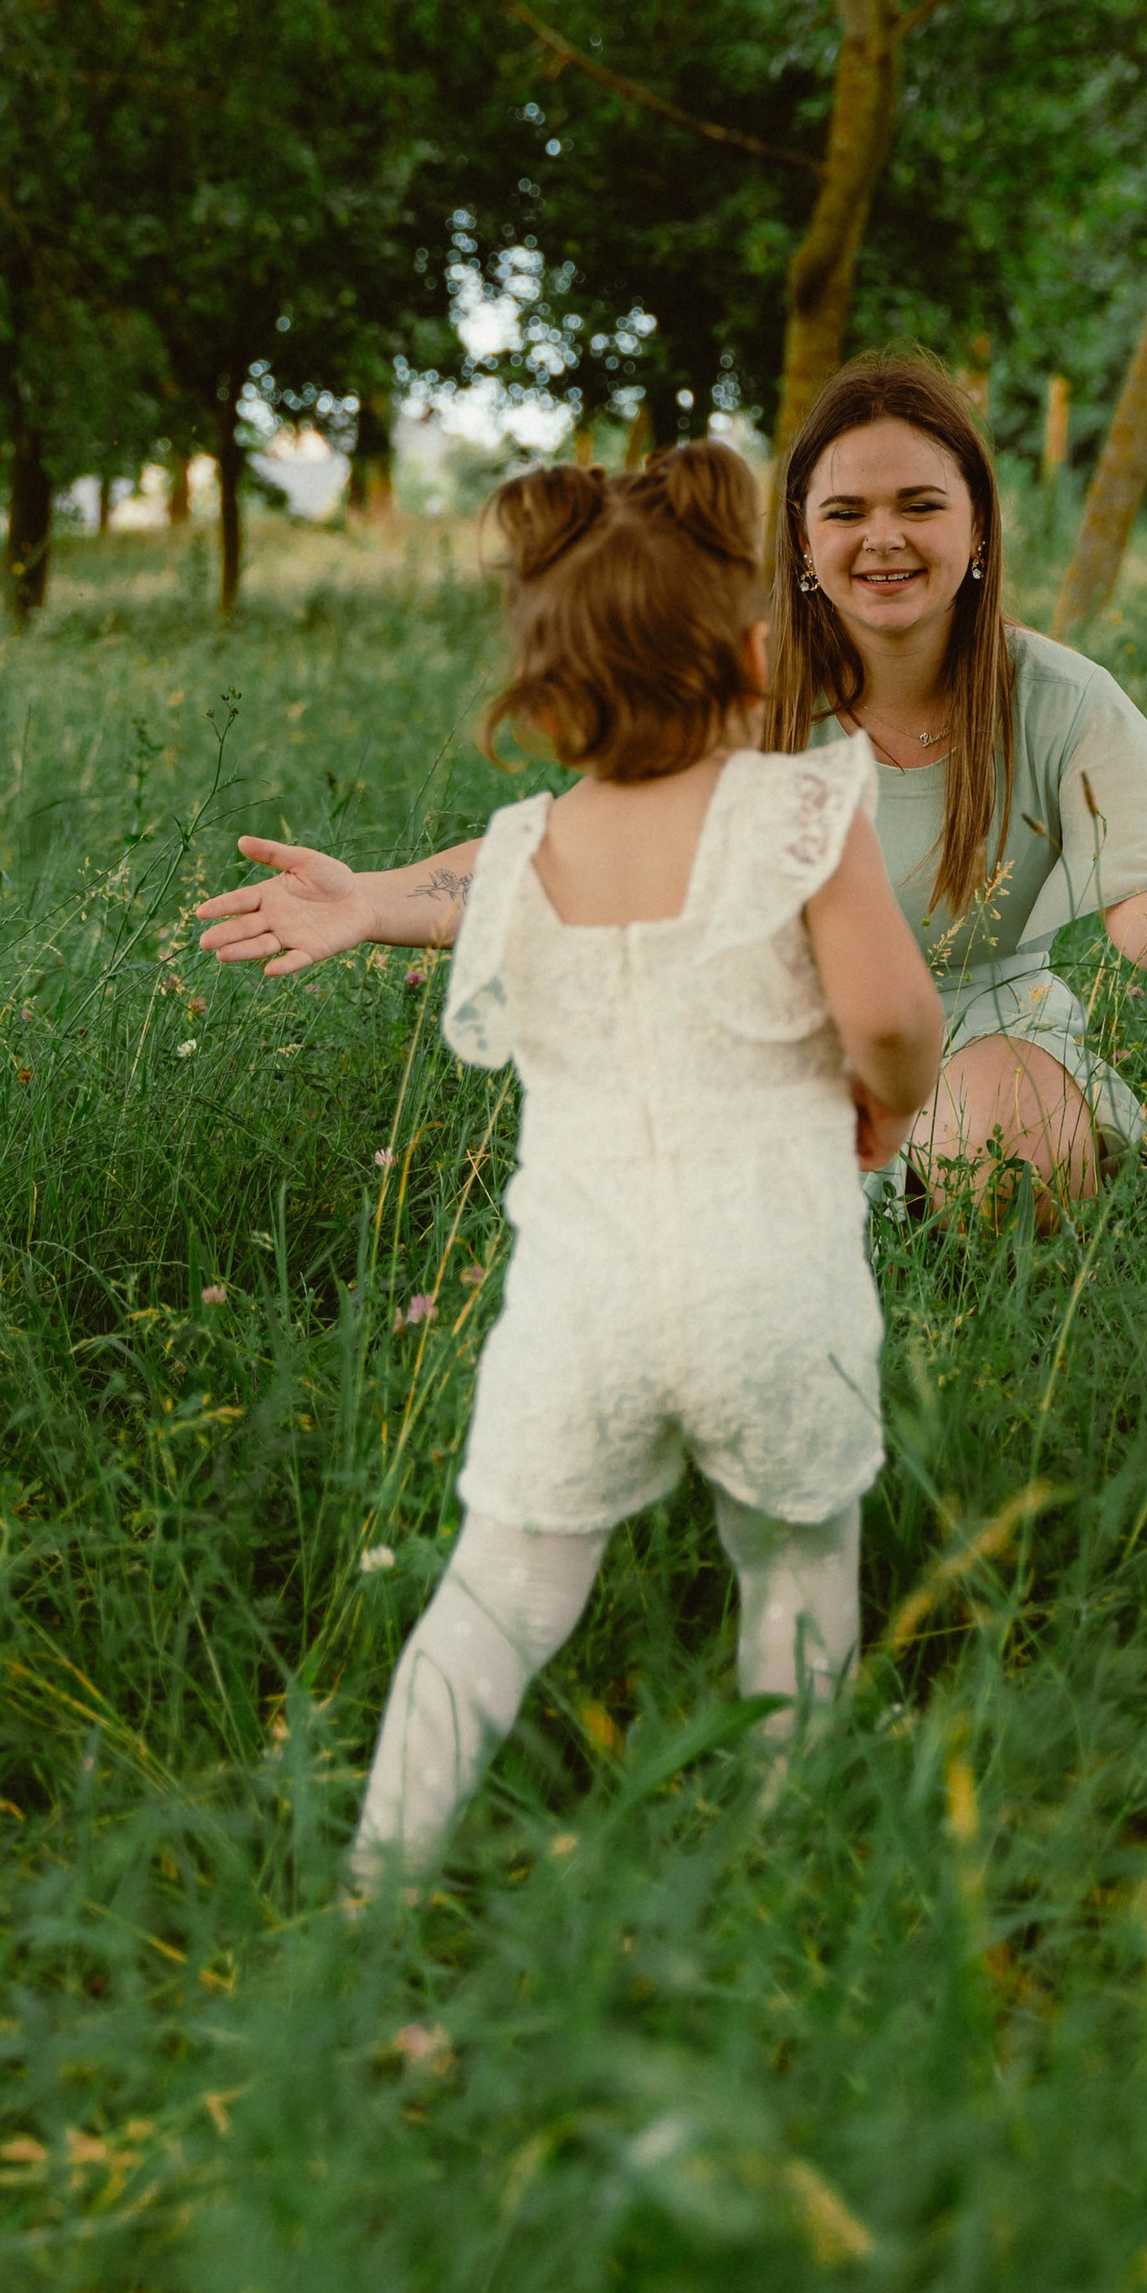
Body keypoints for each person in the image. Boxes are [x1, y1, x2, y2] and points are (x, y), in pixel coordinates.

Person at [205, 442, 943, 1885]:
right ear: (750, 652)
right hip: (773, 1286)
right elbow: (896, 1020)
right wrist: (891, 1106)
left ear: (541, 696)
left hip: (580, 1312)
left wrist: (364, 904)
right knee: (796, 1564)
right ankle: (787, 1854)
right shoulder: (801, 813)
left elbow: (468, 897)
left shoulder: (528, 850)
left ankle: (375, 1883)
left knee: (500, 1591)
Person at [195, 355, 1147, 1204]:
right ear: (806, 545)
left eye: (922, 505)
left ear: (977, 530)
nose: (885, 536)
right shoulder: (745, 696)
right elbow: (563, 857)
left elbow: (1144, 920)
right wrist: (372, 899)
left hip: (988, 1040)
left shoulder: (1056, 695)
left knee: (1007, 1131)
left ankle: (984, 1337)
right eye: (849, 511)